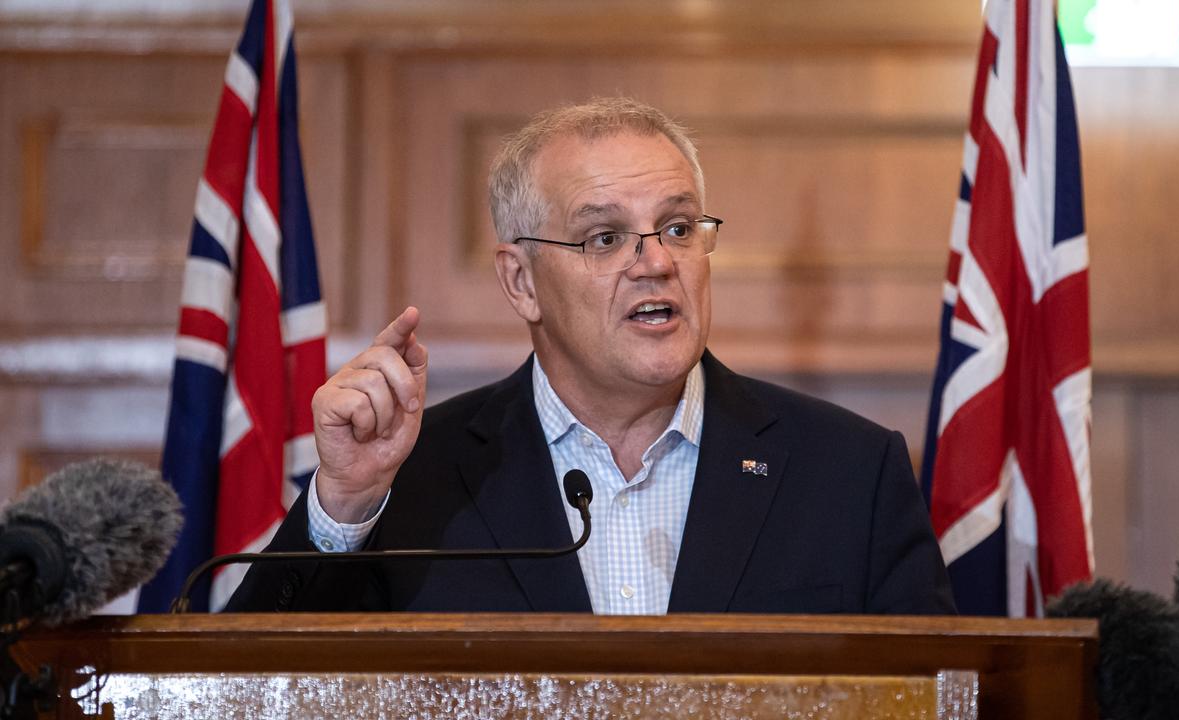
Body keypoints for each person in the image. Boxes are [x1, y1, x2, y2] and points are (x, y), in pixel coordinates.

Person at [226, 97, 955, 615]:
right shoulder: (415, 477)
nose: (655, 264)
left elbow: (940, 694)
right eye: (605, 239)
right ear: (521, 281)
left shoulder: (850, 473)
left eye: (676, 228)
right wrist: (344, 507)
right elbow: (248, 691)